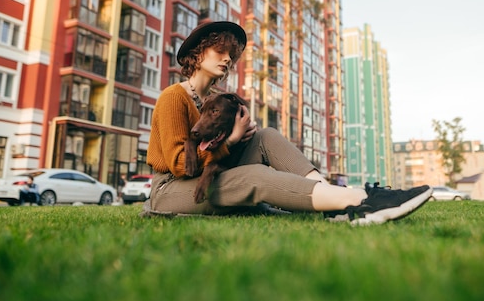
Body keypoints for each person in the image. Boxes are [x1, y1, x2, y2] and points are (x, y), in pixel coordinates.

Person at [141, 21, 432, 225]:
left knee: (265, 136)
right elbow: (180, 165)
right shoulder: (173, 97)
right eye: (220, 51)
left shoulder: (214, 101)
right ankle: (362, 201)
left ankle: (334, 202)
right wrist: (230, 142)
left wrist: (242, 137)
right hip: (170, 192)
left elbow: (218, 150)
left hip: (204, 179)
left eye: (232, 54)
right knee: (253, 176)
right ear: (198, 53)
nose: (228, 59)